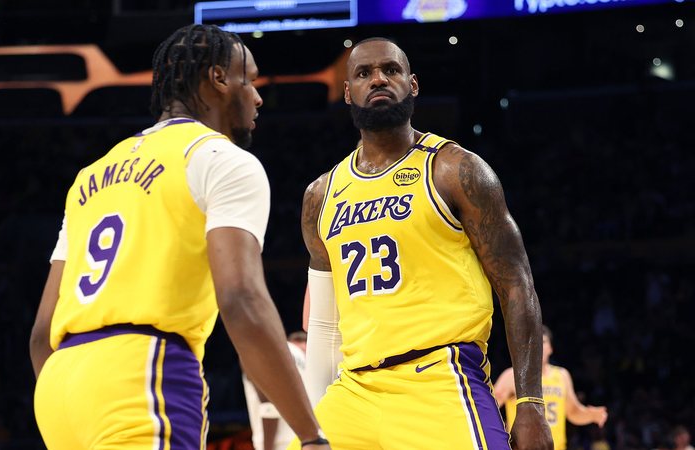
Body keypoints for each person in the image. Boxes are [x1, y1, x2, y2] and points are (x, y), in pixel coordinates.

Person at [29, 24, 329, 450]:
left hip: (59, 391)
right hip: (144, 374)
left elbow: (41, 334)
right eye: (250, 79)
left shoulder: (89, 177)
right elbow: (241, 300)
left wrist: (78, 393)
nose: (258, 97)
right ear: (219, 79)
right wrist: (311, 434)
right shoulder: (221, 159)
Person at [295, 37, 553, 450]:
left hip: (440, 377)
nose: (378, 79)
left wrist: (530, 403)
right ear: (347, 93)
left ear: (412, 84)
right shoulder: (320, 195)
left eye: (391, 70)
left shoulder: (456, 170)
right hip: (354, 390)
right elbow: (325, 326)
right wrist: (313, 428)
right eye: (363, 73)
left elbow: (517, 285)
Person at [493, 326, 608, 449]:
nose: (538, 346)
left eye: (542, 342)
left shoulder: (562, 376)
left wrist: (591, 415)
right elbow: (489, 407)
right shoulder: (512, 375)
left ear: (551, 348)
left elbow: (573, 412)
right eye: (533, 341)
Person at [243, 331, 308, 450]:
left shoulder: (259, 348)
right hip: (305, 440)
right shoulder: (304, 359)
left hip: (277, 444)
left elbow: (269, 406)